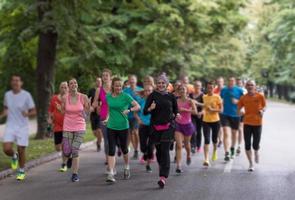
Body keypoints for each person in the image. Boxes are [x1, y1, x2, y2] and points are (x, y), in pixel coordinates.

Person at [144, 73, 179, 189]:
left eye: (163, 83)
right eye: (159, 83)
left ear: (167, 84)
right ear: (156, 84)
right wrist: (150, 108)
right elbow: (145, 111)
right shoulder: (152, 96)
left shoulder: (171, 96)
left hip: (168, 127)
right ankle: (162, 168)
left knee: (165, 151)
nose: (161, 84)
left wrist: (176, 115)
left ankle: (163, 177)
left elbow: (175, 109)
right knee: (159, 152)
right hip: (155, 128)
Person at [0, 74, 36, 181]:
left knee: (21, 149)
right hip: (10, 125)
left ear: (21, 83)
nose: (15, 82)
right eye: (13, 80)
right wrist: (2, 115)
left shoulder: (26, 95)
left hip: (22, 126)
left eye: (17, 80)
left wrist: (27, 114)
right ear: (11, 83)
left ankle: (21, 170)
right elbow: (6, 109)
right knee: (6, 149)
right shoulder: (7, 95)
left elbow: (34, 111)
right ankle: (14, 155)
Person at [105, 77, 140, 183]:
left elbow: (137, 106)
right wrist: (106, 119)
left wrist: (129, 110)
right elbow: (108, 111)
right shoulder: (108, 97)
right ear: (113, 86)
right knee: (111, 150)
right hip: (111, 126)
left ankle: (126, 166)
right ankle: (111, 173)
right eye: (116, 85)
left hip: (123, 126)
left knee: (124, 149)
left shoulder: (126, 96)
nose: (118, 87)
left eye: (120, 85)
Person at [61, 78, 91, 182]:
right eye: (71, 83)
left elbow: (87, 114)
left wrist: (88, 107)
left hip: (80, 126)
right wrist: (60, 108)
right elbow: (62, 111)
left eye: (75, 83)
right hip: (67, 126)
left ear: (77, 85)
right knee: (66, 151)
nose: (73, 84)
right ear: (69, 86)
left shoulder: (83, 97)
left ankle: (75, 174)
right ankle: (68, 157)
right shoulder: (65, 98)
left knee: (75, 149)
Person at [237, 80, 266, 172]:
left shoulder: (260, 96)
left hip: (257, 123)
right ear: (246, 87)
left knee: (255, 144)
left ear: (255, 86)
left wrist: (262, 111)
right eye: (248, 85)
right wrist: (240, 112)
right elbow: (238, 111)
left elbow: (265, 106)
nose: (250, 86)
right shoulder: (243, 98)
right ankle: (251, 163)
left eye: (252, 85)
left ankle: (256, 152)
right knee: (247, 145)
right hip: (247, 123)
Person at [175, 84, 197, 174]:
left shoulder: (190, 101)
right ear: (178, 91)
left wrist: (185, 110)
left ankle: (188, 155)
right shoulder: (176, 101)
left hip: (187, 125)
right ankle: (179, 165)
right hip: (178, 124)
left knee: (187, 144)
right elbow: (173, 111)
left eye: (183, 89)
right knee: (179, 145)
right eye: (180, 89)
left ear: (186, 91)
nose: (182, 90)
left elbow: (195, 112)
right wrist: (176, 114)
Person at [48, 81, 70, 172]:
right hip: (57, 126)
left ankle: (64, 164)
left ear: (68, 88)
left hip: (68, 125)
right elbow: (50, 111)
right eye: (62, 87)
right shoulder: (54, 98)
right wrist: (50, 119)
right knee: (58, 148)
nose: (64, 89)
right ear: (59, 88)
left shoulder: (70, 98)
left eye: (65, 87)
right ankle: (69, 154)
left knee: (65, 145)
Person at [220, 77, 244, 161]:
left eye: (233, 81)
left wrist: (237, 102)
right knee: (226, 133)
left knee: (234, 134)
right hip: (225, 114)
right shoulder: (224, 90)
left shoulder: (239, 90)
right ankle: (226, 152)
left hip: (236, 115)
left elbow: (244, 101)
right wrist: (221, 107)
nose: (231, 82)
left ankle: (232, 149)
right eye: (230, 81)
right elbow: (221, 100)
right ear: (228, 82)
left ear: (235, 82)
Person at [93, 69, 112, 166]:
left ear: (110, 77)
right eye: (103, 75)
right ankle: (109, 162)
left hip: (114, 116)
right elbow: (95, 102)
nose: (105, 77)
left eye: (106, 75)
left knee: (114, 140)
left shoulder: (114, 88)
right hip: (104, 117)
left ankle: (112, 159)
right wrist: (92, 106)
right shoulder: (98, 90)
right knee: (107, 140)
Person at [202, 81, 223, 167]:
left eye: (211, 87)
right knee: (206, 140)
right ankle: (206, 159)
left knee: (214, 140)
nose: (210, 89)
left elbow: (221, 110)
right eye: (208, 87)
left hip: (215, 121)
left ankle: (214, 151)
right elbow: (203, 108)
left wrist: (212, 110)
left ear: (214, 88)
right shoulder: (204, 97)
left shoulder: (217, 97)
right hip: (206, 121)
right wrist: (202, 111)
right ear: (206, 88)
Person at [134, 85, 154, 172]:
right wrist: (139, 120)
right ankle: (144, 153)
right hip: (143, 126)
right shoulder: (140, 101)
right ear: (144, 92)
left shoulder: (155, 102)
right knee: (143, 146)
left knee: (150, 147)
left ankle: (148, 165)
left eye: (149, 91)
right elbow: (135, 113)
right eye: (146, 91)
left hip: (153, 126)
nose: (148, 92)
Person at [123, 75, 142, 160]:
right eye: (130, 80)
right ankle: (134, 150)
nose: (132, 81)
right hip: (127, 115)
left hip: (136, 115)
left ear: (136, 80)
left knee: (135, 132)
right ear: (129, 81)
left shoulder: (140, 90)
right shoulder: (125, 91)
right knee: (130, 133)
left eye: (133, 80)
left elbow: (142, 102)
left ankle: (136, 150)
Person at [88, 77, 103, 152]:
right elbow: (88, 100)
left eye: (100, 81)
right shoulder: (92, 90)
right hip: (93, 113)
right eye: (97, 81)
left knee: (99, 130)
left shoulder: (103, 90)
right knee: (94, 132)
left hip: (100, 113)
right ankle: (99, 139)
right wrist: (90, 107)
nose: (99, 82)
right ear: (95, 82)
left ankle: (99, 144)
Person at [190, 80, 204, 153]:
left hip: (200, 115)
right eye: (196, 85)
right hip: (192, 115)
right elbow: (188, 103)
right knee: (192, 130)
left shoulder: (203, 95)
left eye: (198, 85)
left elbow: (205, 106)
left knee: (198, 131)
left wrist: (197, 103)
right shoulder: (190, 95)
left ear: (201, 87)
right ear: (193, 86)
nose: (197, 87)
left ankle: (198, 146)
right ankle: (193, 145)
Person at [236, 78, 247, 155]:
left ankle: (239, 145)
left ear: (242, 84)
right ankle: (233, 144)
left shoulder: (244, 91)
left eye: (240, 83)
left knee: (240, 128)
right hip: (233, 112)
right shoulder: (233, 90)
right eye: (237, 83)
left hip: (242, 112)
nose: (238, 84)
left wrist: (243, 109)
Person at [214, 77, 225, 148]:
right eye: (218, 82)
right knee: (218, 126)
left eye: (220, 82)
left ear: (223, 82)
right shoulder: (215, 90)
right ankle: (220, 140)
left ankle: (221, 139)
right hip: (217, 110)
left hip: (225, 111)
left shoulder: (226, 90)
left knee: (222, 126)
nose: (219, 83)